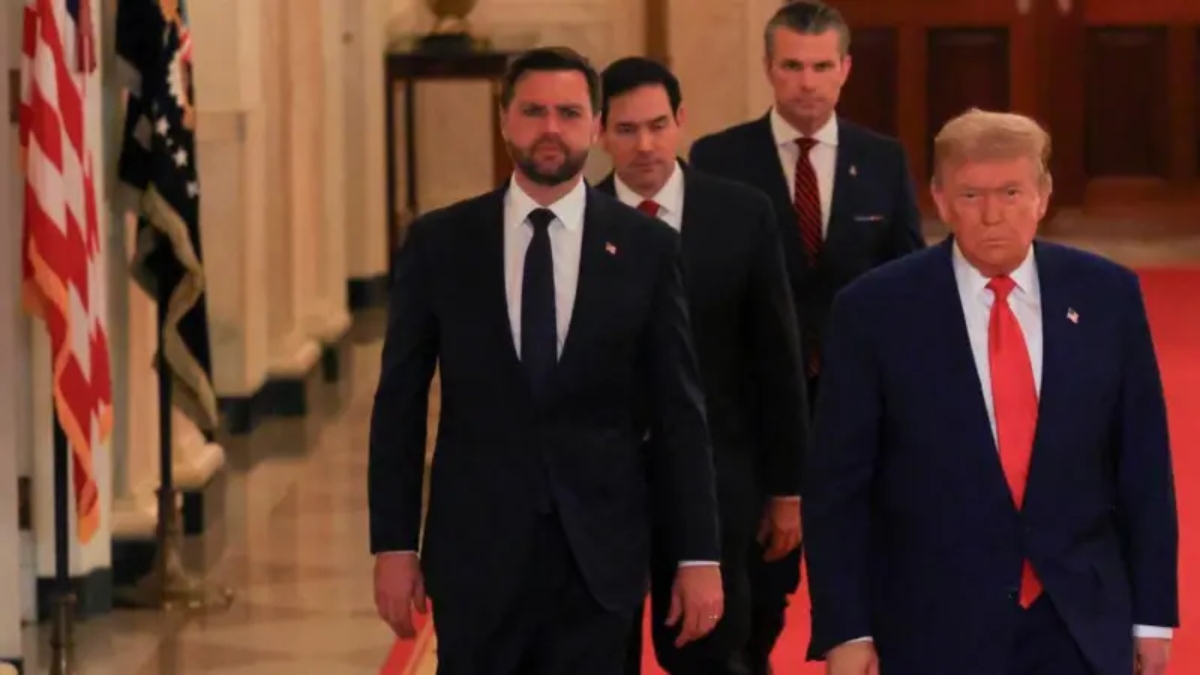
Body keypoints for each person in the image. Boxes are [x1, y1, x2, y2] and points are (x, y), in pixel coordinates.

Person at [368, 47, 725, 675]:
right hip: (476, 554)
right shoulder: (442, 243)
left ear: (595, 126)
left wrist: (697, 556)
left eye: (569, 112)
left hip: (600, 559)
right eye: (533, 111)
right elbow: (398, 405)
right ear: (505, 119)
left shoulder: (646, 248)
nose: (550, 128)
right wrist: (394, 545)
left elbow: (680, 412)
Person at [802, 108, 1179, 675]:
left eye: (1010, 191)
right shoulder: (874, 310)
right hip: (930, 624)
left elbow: (1144, 468)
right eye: (972, 195)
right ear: (940, 198)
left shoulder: (1108, 296)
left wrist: (1151, 618)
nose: (993, 215)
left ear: (1043, 195)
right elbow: (838, 488)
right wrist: (846, 628)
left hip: (1080, 620)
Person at [687, 2, 925, 668]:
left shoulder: (882, 159)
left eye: (822, 67)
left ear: (846, 70)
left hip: (857, 402)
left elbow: (910, 282)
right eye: (792, 66)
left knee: (865, 569)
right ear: (769, 69)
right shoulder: (719, 158)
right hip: (756, 409)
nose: (807, 83)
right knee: (762, 584)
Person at [593, 57, 810, 675]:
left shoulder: (742, 214)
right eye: (628, 130)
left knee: (716, 653)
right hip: (602, 486)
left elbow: (777, 359)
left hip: (720, 480)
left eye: (659, 126)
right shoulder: (575, 225)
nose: (646, 146)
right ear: (601, 133)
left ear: (682, 121)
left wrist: (787, 490)